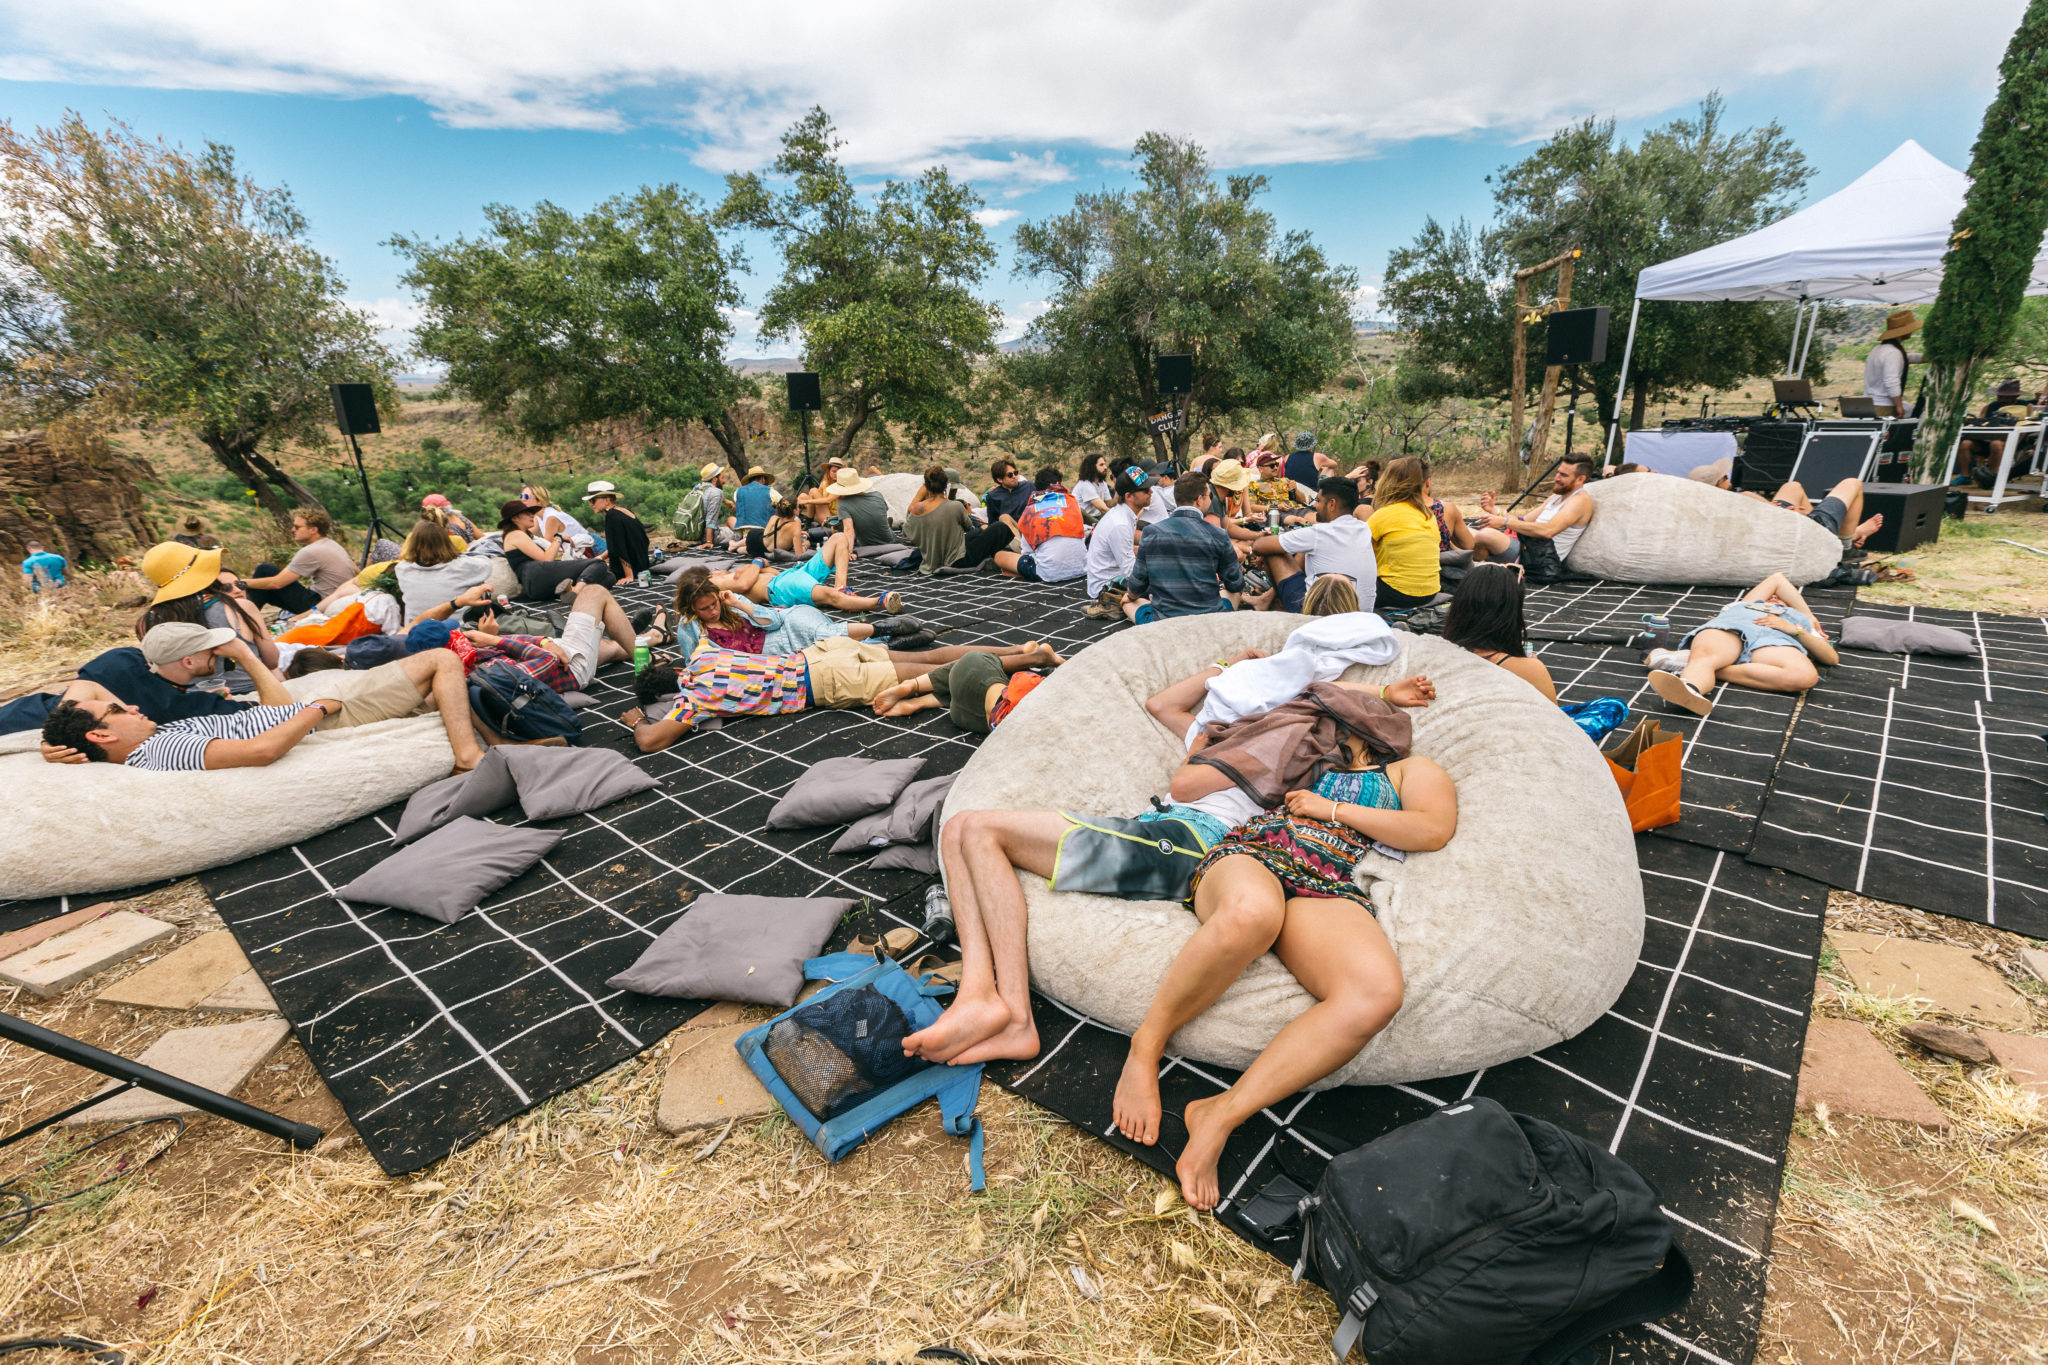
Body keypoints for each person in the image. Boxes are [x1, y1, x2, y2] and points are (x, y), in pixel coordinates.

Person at [901, 662, 1443, 1200]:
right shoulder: (1299, 746)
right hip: (1255, 851)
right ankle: (1146, 1049)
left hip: (1325, 879)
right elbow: (1302, 687)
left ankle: (1221, 1113)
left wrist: (1336, 803)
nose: (1323, 730)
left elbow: (1432, 829)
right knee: (1252, 914)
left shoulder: (1410, 771)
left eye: (1337, 725)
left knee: (1376, 996)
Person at [42, 642, 487, 772]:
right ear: (102, 735)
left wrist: (50, 743)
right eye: (117, 713)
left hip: (315, 714)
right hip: (325, 719)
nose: (130, 706)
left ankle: (502, 744)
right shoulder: (161, 749)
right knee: (442, 658)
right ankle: (468, 758)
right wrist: (318, 709)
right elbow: (261, 752)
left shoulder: (150, 738)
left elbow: (85, 689)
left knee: (443, 690)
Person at [625, 638, 1061, 752]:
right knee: (929, 657)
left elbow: (652, 740)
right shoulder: (701, 656)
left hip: (825, 684)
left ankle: (1028, 661)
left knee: (938, 673)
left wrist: (637, 721)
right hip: (820, 655)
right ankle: (1021, 653)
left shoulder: (693, 697)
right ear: (675, 669)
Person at [1, 621, 268, 740]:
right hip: (24, 726)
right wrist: (246, 656)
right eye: (212, 650)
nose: (219, 652)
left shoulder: (124, 658)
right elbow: (279, 710)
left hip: (25, 710)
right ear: (188, 662)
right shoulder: (183, 708)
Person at [1644, 572, 1838, 717]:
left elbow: (1831, 658)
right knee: (1707, 658)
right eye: (1772, 596)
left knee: (1805, 676)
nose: (1773, 598)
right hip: (1733, 627)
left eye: (1781, 598)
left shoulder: (1800, 624)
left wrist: (1800, 626)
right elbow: (1778, 579)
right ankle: (1690, 689)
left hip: (1776, 641)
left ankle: (1692, 663)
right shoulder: (1748, 603)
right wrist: (1808, 613)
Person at [671, 566, 930, 656]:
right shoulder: (689, 627)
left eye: (713, 604)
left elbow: (772, 621)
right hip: (781, 656)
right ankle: (892, 643)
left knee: (826, 634)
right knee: (837, 654)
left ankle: (886, 627)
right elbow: (695, 661)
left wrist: (739, 604)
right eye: (704, 609)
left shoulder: (732, 601)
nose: (712, 611)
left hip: (787, 626)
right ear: (691, 608)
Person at [453, 580, 639, 695]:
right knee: (594, 592)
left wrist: (543, 641)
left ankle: (652, 636)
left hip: (552, 653)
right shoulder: (484, 675)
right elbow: (549, 659)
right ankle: (643, 662)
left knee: (609, 648)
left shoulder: (467, 657)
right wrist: (493, 640)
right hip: (569, 668)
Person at [137, 543, 279, 690]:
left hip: (197, 704)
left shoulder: (147, 623)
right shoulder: (239, 607)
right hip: (252, 695)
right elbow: (272, 661)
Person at [1124, 471, 1245, 623]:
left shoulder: (1150, 532)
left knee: (1130, 602)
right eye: (1210, 496)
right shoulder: (1218, 534)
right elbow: (1235, 584)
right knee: (1233, 594)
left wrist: (1129, 597)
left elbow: (1137, 586)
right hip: (1210, 621)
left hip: (1165, 622)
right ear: (1200, 499)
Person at [1247, 475, 1376, 613]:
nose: (1314, 506)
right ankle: (1270, 601)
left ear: (1332, 504)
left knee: (1272, 551)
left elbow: (1259, 546)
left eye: (1318, 501)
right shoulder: (1364, 529)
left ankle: (1280, 606)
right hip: (1361, 612)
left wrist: (1265, 549)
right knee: (1305, 550)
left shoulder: (1319, 533)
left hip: (1318, 614)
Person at [711, 522, 902, 614]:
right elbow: (744, 584)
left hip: (789, 575)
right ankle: (880, 601)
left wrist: (759, 566)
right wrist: (758, 562)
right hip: (779, 588)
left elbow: (771, 571)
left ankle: (841, 586)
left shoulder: (736, 571)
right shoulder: (715, 582)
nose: (715, 570)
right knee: (829, 596)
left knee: (839, 538)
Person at [1470, 455, 1596, 583]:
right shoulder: (1555, 497)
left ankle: (1471, 567)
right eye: (1558, 472)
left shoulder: (1580, 501)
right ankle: (1468, 564)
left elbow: (1548, 531)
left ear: (1580, 479)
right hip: (1525, 546)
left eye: (1563, 475)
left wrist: (1504, 522)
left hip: (1539, 559)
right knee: (1465, 530)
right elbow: (1523, 521)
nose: (1556, 478)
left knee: (1485, 535)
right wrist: (1495, 510)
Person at [1440, 563, 1556, 701]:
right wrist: (1530, 667)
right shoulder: (1529, 670)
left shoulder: (1433, 657)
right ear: (1512, 613)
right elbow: (1554, 719)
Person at [241, 510, 356, 613]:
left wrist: (239, 582)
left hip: (321, 605)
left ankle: (244, 621)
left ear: (313, 530)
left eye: (297, 527)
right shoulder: (332, 544)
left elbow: (277, 583)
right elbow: (355, 568)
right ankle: (248, 619)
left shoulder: (311, 551)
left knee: (265, 570)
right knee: (266, 591)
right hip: (338, 600)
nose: (292, 530)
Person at [498, 500, 616, 600]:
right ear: (514, 518)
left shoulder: (519, 535)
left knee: (609, 577)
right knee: (598, 563)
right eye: (527, 513)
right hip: (535, 576)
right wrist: (558, 538)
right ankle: (576, 591)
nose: (532, 515)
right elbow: (546, 559)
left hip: (538, 581)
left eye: (531, 512)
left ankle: (569, 591)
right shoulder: (516, 534)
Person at [994, 467, 1086, 583]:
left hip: (1050, 573)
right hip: (1082, 568)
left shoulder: (1030, 510)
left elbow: (1026, 551)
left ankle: (1021, 571)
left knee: (999, 556)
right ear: (1058, 484)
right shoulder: (1072, 501)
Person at [394, 517, 492, 622]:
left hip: (416, 632)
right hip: (457, 632)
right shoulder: (463, 566)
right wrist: (459, 555)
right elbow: (486, 563)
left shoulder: (402, 569)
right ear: (446, 541)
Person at [1082, 469, 1153, 616]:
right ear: (1129, 496)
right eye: (1145, 490)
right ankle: (1110, 603)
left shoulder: (1123, 514)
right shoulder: (1120, 523)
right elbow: (1130, 572)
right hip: (1106, 586)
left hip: (1110, 577)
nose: (1151, 491)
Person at [1748, 476, 1883, 546]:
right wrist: (1783, 513)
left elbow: (1745, 496)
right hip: (1791, 532)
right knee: (1853, 483)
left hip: (1778, 520)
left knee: (1793, 486)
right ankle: (1844, 544)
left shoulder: (1729, 497)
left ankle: (1833, 531)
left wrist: (1774, 509)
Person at [1958, 378, 2035, 487]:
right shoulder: (1990, 406)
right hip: (1985, 440)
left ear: (2015, 396)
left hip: (2011, 441)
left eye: (2004, 395)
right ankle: (1964, 476)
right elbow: (1981, 421)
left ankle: (1991, 477)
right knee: (1965, 444)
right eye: (1999, 394)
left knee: (1996, 444)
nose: (2000, 397)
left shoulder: (2026, 406)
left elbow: (2030, 422)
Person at [963, 458, 1031, 568]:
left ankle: (1021, 547)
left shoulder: (1028, 487)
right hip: (1009, 534)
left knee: (1004, 517)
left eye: (1016, 473)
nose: (1014, 476)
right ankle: (1019, 546)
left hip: (1027, 528)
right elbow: (993, 522)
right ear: (1000, 479)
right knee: (1004, 517)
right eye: (1010, 475)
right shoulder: (993, 496)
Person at [902, 467, 972, 573]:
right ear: (945, 485)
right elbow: (969, 527)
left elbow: (906, 530)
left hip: (929, 558)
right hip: (954, 557)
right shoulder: (955, 506)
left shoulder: (919, 507)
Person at [582, 481, 651, 582]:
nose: (590, 504)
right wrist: (600, 557)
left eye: (593, 500)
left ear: (607, 500)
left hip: (628, 570)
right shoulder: (623, 511)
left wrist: (628, 576)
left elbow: (620, 548)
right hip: (642, 565)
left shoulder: (611, 517)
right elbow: (621, 544)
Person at [1863, 309, 1920, 417]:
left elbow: (1905, 358)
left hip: (1870, 403)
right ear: (1904, 331)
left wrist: (1927, 357)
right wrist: (1899, 406)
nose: (1912, 331)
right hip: (1884, 406)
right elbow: (1891, 381)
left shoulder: (1879, 349)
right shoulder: (1893, 353)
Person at [826, 467, 899, 548]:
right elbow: (882, 513)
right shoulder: (878, 495)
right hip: (890, 541)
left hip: (867, 545)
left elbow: (849, 530)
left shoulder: (843, 504)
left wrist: (848, 552)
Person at [795, 457, 845, 528]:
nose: (836, 474)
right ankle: (794, 521)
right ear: (829, 471)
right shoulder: (824, 483)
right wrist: (804, 500)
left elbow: (828, 500)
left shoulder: (841, 485)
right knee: (802, 495)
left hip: (833, 518)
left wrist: (805, 501)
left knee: (813, 491)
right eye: (834, 471)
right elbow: (815, 499)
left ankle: (808, 524)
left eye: (838, 472)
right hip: (823, 513)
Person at [685, 467, 727, 549]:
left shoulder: (697, 488)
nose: (724, 481)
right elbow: (710, 520)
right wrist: (709, 542)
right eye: (722, 478)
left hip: (693, 534)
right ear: (715, 479)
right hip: (708, 537)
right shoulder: (717, 493)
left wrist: (725, 501)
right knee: (732, 531)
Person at [731, 467, 776, 533]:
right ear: (763, 479)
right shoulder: (770, 491)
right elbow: (784, 503)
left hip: (743, 530)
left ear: (749, 481)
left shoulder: (738, 491)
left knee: (730, 519)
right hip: (764, 530)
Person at [1072, 453, 1114, 522]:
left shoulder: (1102, 483)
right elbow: (1103, 509)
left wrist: (1119, 492)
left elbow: (1110, 504)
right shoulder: (1085, 484)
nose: (1105, 467)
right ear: (1092, 467)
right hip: (1082, 519)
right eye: (1101, 465)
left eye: (1104, 464)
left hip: (1096, 516)